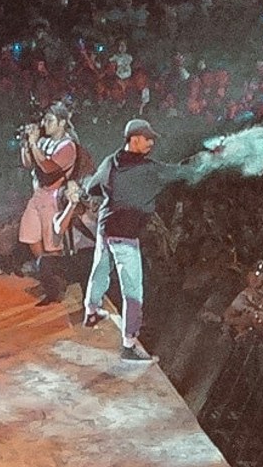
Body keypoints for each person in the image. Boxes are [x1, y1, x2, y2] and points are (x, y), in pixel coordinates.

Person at [73, 117, 169, 363]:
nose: (150, 143)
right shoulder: (146, 168)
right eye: (147, 139)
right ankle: (129, 344)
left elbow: (92, 188)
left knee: (100, 271)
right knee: (133, 291)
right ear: (134, 139)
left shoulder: (110, 162)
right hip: (125, 235)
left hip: (105, 229)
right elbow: (178, 173)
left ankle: (91, 312)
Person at [15, 102, 89, 306]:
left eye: (49, 120)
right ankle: (47, 275)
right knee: (30, 235)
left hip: (53, 197)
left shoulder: (68, 146)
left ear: (62, 122)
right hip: (38, 194)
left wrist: (34, 145)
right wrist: (27, 145)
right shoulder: (45, 142)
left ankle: (56, 280)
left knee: (52, 243)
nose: (44, 123)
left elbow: (48, 168)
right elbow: (28, 163)